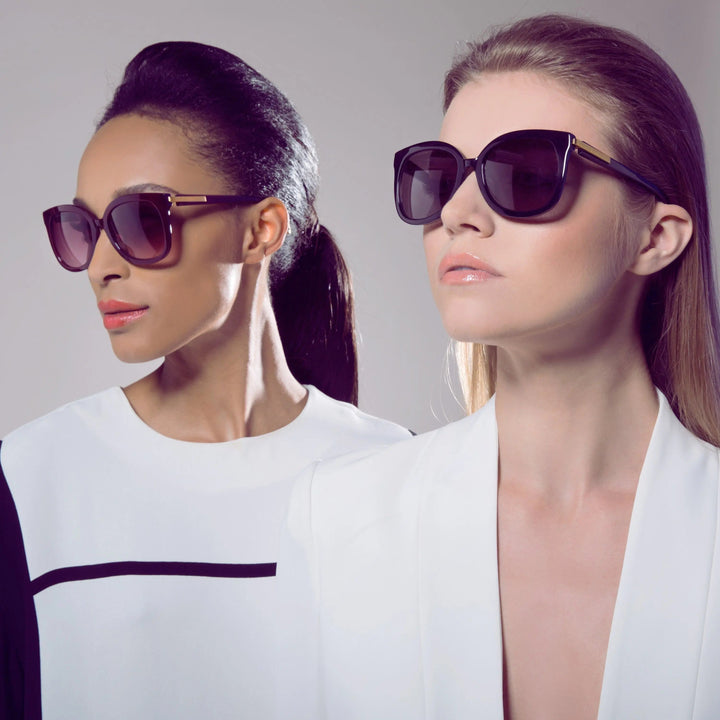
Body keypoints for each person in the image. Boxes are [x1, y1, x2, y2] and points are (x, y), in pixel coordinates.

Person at [279, 14, 720, 719]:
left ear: (655, 237)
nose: (457, 212)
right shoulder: (337, 518)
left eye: (526, 174)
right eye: (439, 176)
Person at [0, 41, 408, 718]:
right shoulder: (28, 478)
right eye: (83, 229)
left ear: (260, 231)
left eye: (141, 220)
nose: (100, 264)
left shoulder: (400, 476)